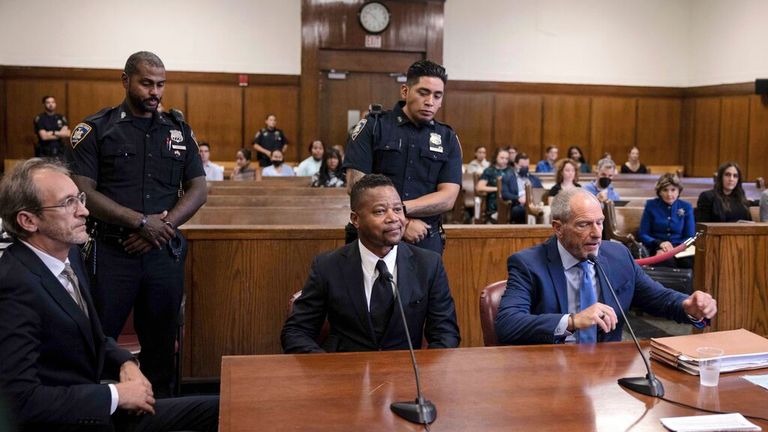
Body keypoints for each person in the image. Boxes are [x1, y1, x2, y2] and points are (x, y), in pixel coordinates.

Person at [0, 158, 218, 431]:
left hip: (94, 407)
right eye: (68, 203)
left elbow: (94, 335)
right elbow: (19, 403)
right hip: (68, 419)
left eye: (80, 198)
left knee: (225, 408)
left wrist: (127, 363)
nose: (85, 212)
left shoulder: (70, 255)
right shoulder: (13, 286)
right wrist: (117, 395)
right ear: (28, 220)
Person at [67, 51, 207, 397]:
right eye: (146, 83)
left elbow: (199, 189)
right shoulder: (96, 129)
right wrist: (141, 223)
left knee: (162, 343)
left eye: (160, 84)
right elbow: (83, 190)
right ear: (126, 80)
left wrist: (161, 228)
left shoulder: (178, 131)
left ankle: (161, 413)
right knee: (98, 339)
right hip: (111, 252)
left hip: (161, 253)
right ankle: (98, 409)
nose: (154, 91)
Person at [494, 188, 717, 345]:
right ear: (558, 228)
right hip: (551, 369)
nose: (597, 233)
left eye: (600, 222)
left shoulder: (617, 255)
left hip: (606, 370)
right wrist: (572, 321)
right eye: (584, 224)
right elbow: (507, 324)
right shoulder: (528, 264)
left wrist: (688, 305)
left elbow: (658, 298)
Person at [281, 174, 460, 353]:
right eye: (380, 211)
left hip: (405, 374)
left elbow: (446, 334)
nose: (393, 218)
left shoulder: (428, 265)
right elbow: (296, 332)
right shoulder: (328, 266)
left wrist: (425, 373)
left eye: (398, 209)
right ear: (356, 219)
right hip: (345, 375)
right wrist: (328, 370)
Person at [343, 60, 462, 255]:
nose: (430, 101)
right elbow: (357, 187)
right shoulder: (373, 126)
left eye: (437, 95)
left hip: (424, 239)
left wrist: (400, 212)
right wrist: (403, 223)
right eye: (423, 93)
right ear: (405, 91)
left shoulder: (447, 138)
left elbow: (448, 198)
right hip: (373, 240)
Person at [638, 173, 695, 268]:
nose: (669, 194)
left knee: (690, 262)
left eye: (673, 190)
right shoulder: (651, 205)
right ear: (659, 192)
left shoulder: (686, 207)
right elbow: (643, 234)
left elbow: (690, 236)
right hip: (656, 247)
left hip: (680, 249)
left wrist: (675, 248)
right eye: (665, 190)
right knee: (666, 261)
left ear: (678, 191)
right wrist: (660, 243)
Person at [501, 152, 543, 223]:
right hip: (518, 205)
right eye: (522, 166)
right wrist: (518, 198)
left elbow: (541, 191)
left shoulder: (534, 179)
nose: (524, 169)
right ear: (515, 164)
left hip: (534, 204)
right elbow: (505, 194)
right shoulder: (508, 177)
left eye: (526, 167)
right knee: (520, 211)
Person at [476, 147, 512, 221]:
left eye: (507, 158)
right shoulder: (489, 171)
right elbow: (479, 187)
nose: (504, 160)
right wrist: (498, 189)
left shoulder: (511, 171)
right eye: (502, 158)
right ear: (496, 157)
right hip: (495, 199)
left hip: (510, 197)